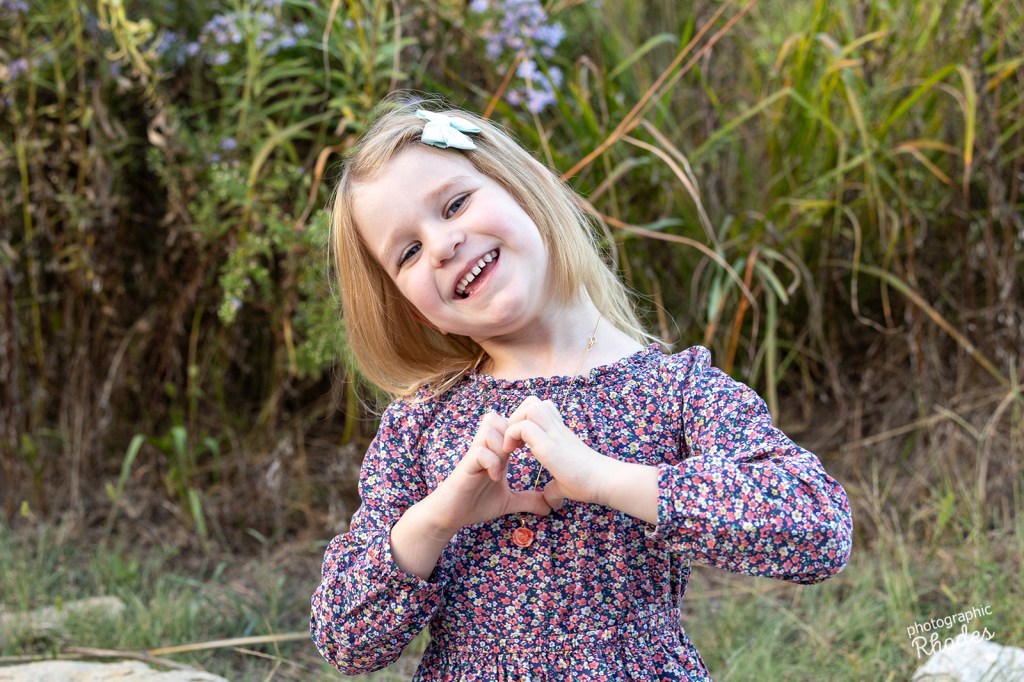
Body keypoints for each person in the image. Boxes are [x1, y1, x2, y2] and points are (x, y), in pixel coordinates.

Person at [310, 97, 853, 680]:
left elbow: (818, 528)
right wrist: (437, 518)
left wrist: (604, 479)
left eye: (455, 204)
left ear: (526, 191)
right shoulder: (420, 422)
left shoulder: (675, 389)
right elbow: (346, 642)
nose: (442, 246)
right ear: (417, 313)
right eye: (410, 252)